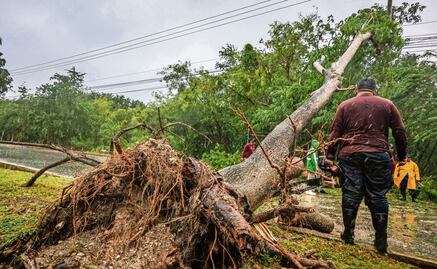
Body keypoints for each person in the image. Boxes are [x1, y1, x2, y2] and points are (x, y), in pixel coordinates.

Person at [326, 78, 407, 253]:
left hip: (350, 154)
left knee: (351, 192)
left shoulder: (345, 105)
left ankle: (348, 234)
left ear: (356, 89)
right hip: (378, 154)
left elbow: (335, 133)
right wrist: (401, 156)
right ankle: (381, 242)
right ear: (374, 90)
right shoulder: (387, 104)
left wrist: (330, 158)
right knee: (378, 196)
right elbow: (400, 131)